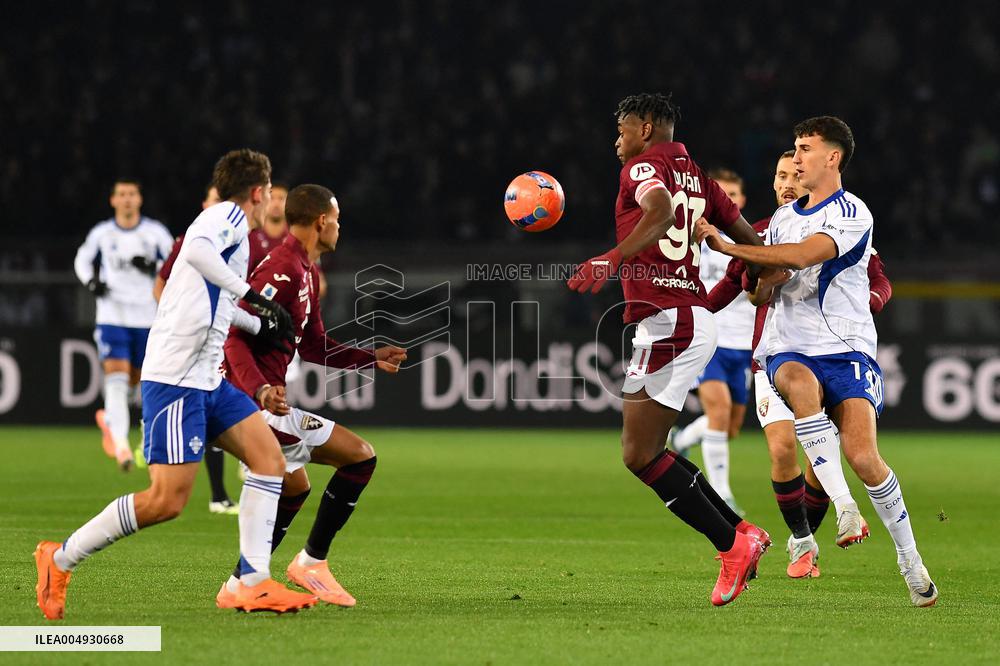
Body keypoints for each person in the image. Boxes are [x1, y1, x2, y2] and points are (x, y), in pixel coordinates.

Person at [35, 149, 318, 619]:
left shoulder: (236, 232)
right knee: (165, 501)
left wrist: (257, 324)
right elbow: (196, 253)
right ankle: (59, 558)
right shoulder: (225, 217)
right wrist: (254, 296)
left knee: (269, 462)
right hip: (176, 379)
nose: (272, 198)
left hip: (208, 379)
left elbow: (215, 302)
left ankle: (251, 583)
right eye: (269, 189)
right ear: (256, 192)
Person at [696, 117, 937, 606]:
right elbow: (768, 284)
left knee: (864, 457)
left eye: (805, 148)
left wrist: (728, 245)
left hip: (846, 349)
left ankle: (910, 559)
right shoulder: (781, 220)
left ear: (833, 157)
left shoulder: (853, 213)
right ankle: (844, 509)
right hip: (787, 348)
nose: (796, 157)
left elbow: (805, 255)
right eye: (794, 148)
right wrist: (756, 281)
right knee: (796, 394)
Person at [567, 93, 769, 607]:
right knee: (650, 451)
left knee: (638, 454)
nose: (617, 141)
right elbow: (748, 237)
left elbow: (657, 213)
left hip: (669, 321)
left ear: (646, 128)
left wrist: (612, 257)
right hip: (690, 318)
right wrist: (756, 270)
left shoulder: (642, 168)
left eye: (622, 130)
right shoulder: (699, 176)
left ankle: (731, 546)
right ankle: (740, 532)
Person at [702, 150, 893, 577]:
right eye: (780, 175)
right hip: (773, 357)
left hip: (829, 355)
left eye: (795, 174)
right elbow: (735, 282)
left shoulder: (836, 225)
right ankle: (802, 538)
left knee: (816, 464)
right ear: (772, 183)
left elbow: (878, 276)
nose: (788, 183)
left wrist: (870, 301)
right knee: (782, 448)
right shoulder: (762, 232)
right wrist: (695, 313)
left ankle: (806, 539)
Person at [218, 184, 406, 608]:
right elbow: (234, 336)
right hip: (247, 404)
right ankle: (306, 563)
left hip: (262, 401)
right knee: (359, 458)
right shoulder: (282, 269)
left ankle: (242, 582)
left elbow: (314, 346)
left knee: (295, 488)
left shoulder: (307, 271)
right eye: (337, 219)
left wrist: (370, 358)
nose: (339, 227)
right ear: (322, 221)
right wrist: (259, 388)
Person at [74, 179, 174, 471]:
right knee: (117, 378)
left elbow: (176, 262)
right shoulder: (102, 233)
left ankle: (110, 419)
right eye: (122, 194)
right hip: (113, 315)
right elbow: (82, 260)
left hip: (148, 317)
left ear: (139, 199)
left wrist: (154, 267)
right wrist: (91, 282)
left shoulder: (155, 232)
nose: (127, 199)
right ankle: (121, 446)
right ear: (113, 200)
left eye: (132, 194)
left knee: (138, 381)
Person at [151, 183, 239, 515]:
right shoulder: (191, 239)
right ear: (205, 204)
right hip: (195, 347)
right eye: (216, 200)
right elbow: (161, 284)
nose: (222, 207)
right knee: (165, 501)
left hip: (229, 337)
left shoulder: (241, 238)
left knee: (265, 451)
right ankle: (220, 492)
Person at [670, 168, 754, 515]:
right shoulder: (688, 237)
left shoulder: (750, 241)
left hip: (746, 345)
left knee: (730, 427)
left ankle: (682, 438)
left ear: (741, 200)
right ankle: (721, 494)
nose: (727, 200)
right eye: (722, 193)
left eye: (733, 195)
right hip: (710, 339)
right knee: (718, 414)